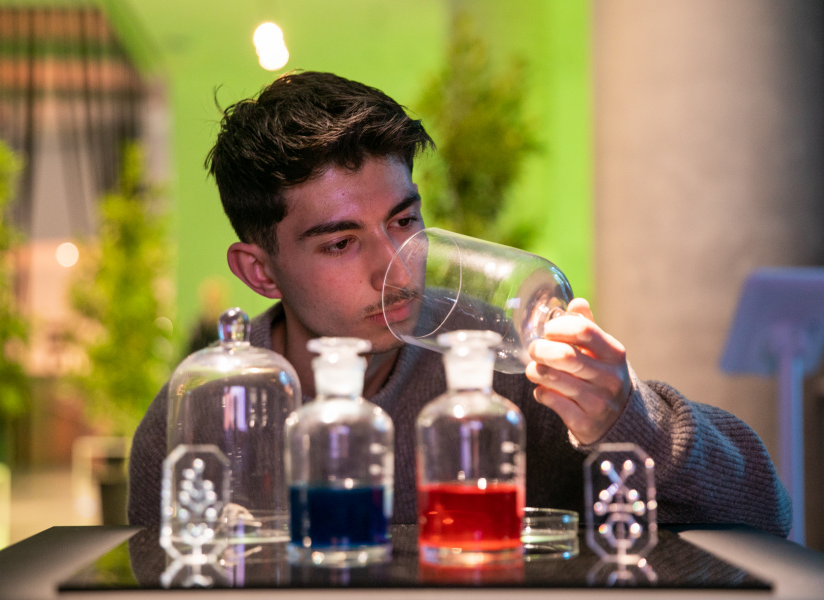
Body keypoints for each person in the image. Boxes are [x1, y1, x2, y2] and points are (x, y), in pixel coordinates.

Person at [127, 71, 791, 537]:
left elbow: (768, 513)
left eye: (403, 221)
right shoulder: (203, 410)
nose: (394, 267)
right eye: (340, 243)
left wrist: (626, 417)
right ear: (260, 270)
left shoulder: (504, 364)